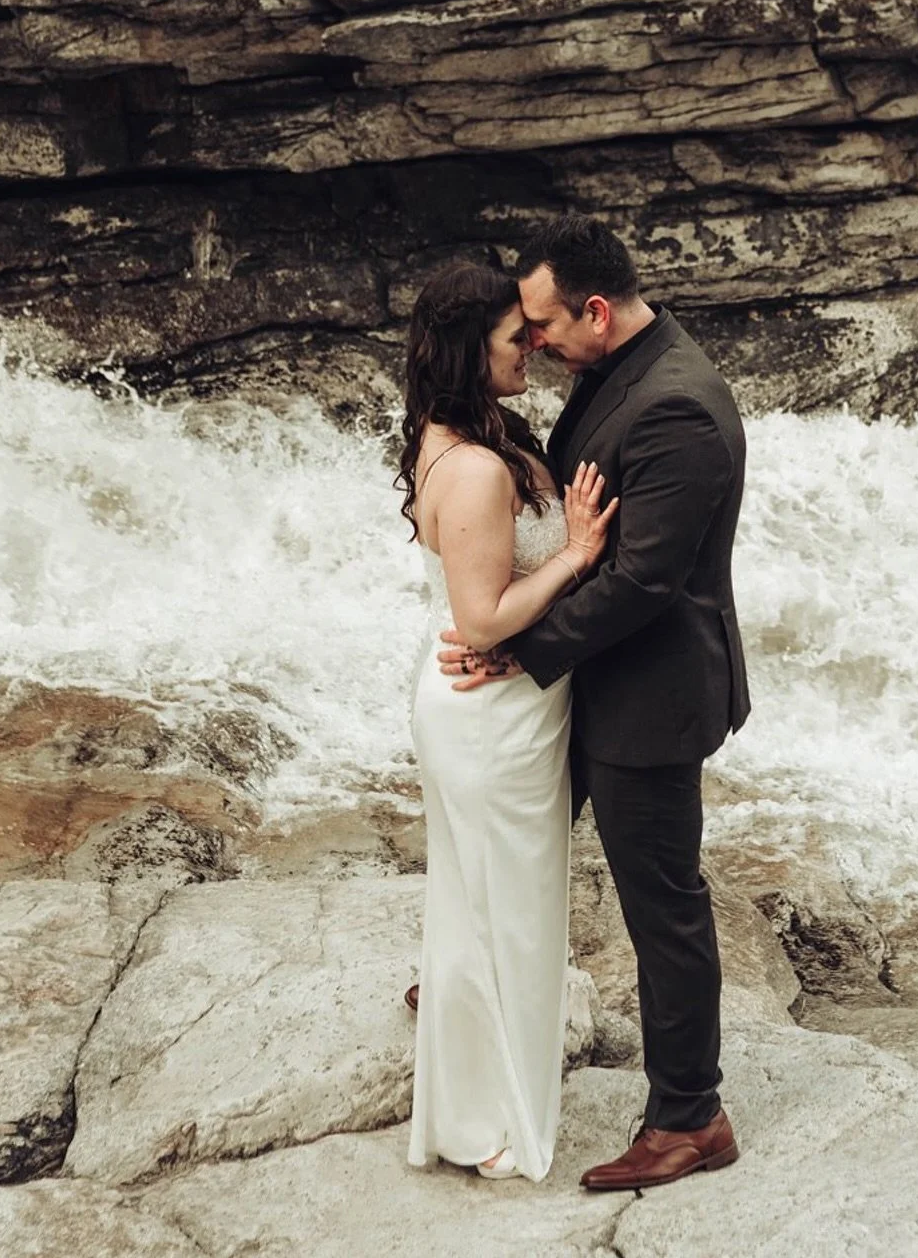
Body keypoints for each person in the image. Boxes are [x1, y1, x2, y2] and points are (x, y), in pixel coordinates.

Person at [439, 214, 749, 1192]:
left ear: (598, 311)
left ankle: (691, 1118)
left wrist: (519, 653)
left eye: (541, 326)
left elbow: (645, 582)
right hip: (594, 677)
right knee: (521, 830)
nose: (533, 342)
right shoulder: (614, 372)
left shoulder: (679, 409)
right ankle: (469, 995)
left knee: (664, 909)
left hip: (648, 696)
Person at [400, 260, 618, 1182]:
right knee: (498, 922)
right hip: (490, 715)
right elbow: (484, 620)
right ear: (465, 351)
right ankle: (483, 1127)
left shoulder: (463, 432)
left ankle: (468, 1114)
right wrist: (573, 556)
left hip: (493, 707)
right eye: (510, 337)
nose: (528, 344)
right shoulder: (480, 467)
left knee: (483, 913)